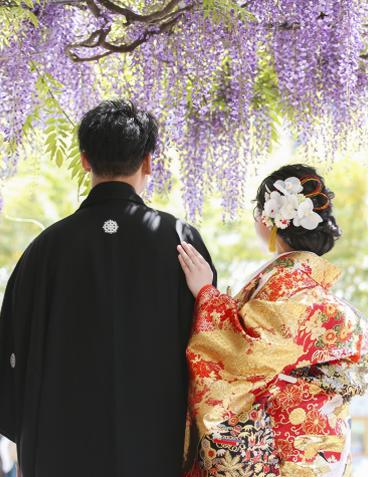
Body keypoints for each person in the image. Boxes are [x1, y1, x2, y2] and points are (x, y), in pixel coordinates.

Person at [0, 100, 216, 477]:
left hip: (61, 442)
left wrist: (25, 426)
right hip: (158, 441)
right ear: (149, 161)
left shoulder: (45, 248)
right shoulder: (181, 242)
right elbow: (211, 339)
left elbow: (12, 346)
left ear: (84, 160)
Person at [178, 164, 368, 477]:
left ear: (271, 220)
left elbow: (243, 354)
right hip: (322, 437)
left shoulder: (284, 281)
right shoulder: (308, 284)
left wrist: (205, 294)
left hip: (281, 439)